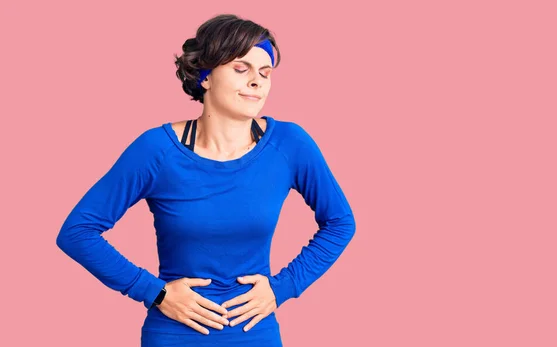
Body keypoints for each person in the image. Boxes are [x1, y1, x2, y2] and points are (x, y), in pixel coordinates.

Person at [56, 13, 356, 347]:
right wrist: (152, 291)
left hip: (254, 333)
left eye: (265, 73)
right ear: (206, 77)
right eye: (241, 69)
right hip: (173, 334)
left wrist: (284, 286)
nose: (257, 81)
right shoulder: (156, 150)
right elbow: (77, 232)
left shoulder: (290, 144)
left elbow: (341, 222)